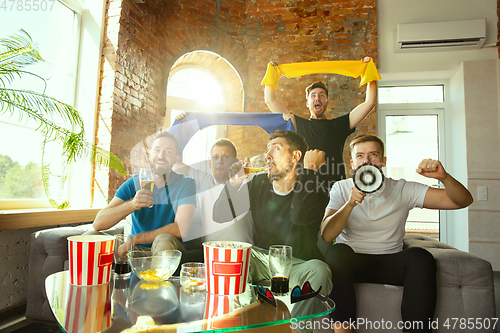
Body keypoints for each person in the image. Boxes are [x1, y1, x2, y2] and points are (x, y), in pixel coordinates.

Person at [321, 134, 474, 333]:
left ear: (383, 162)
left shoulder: (402, 189)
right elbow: (327, 235)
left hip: (390, 261)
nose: (367, 160)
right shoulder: (341, 188)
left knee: (421, 257)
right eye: (360, 156)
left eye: (373, 154)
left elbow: (462, 201)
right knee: (337, 252)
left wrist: (444, 177)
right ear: (353, 163)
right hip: (353, 261)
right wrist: (350, 204)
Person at [213, 130, 332, 306]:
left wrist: (309, 171)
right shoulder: (258, 184)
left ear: (295, 156)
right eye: (267, 149)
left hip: (298, 263)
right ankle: (245, 320)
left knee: (320, 271)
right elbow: (219, 215)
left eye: (276, 149)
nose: (267, 155)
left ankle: (295, 328)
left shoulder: (315, 187)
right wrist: (234, 184)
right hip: (262, 259)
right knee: (236, 254)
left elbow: (299, 216)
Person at [264, 57, 378, 189]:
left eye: (322, 95)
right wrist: (272, 74)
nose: (317, 98)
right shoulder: (297, 124)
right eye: (313, 95)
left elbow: (370, 102)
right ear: (307, 103)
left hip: (335, 190)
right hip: (306, 188)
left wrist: (369, 71)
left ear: (327, 102)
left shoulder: (339, 125)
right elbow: (270, 101)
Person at [93, 131, 196, 252]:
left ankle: (157, 270)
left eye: (168, 152)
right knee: (90, 236)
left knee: (163, 240)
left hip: (167, 250)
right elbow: (98, 224)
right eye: (157, 150)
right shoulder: (134, 183)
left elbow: (181, 229)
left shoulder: (186, 184)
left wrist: (136, 239)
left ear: (176, 159)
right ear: (150, 155)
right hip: (136, 251)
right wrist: (132, 205)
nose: (161, 156)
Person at [173, 136, 254, 244]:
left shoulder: (247, 181)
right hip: (212, 252)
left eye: (226, 157)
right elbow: (175, 166)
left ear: (235, 161)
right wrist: (182, 125)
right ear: (211, 163)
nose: (220, 161)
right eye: (215, 157)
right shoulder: (204, 180)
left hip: (243, 253)